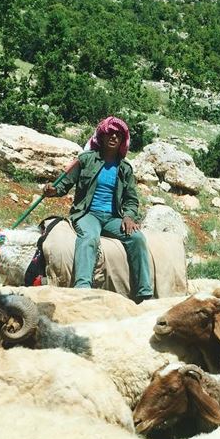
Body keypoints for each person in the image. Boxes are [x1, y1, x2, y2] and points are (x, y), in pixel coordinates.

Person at [43, 116, 153, 301]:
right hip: (88, 213)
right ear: (101, 137)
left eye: (118, 135)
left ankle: (144, 293)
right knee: (90, 238)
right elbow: (64, 185)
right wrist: (52, 190)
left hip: (112, 218)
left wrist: (128, 217)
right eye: (110, 133)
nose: (113, 137)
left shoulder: (124, 168)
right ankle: (82, 289)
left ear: (122, 141)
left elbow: (131, 200)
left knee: (137, 238)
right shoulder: (86, 160)